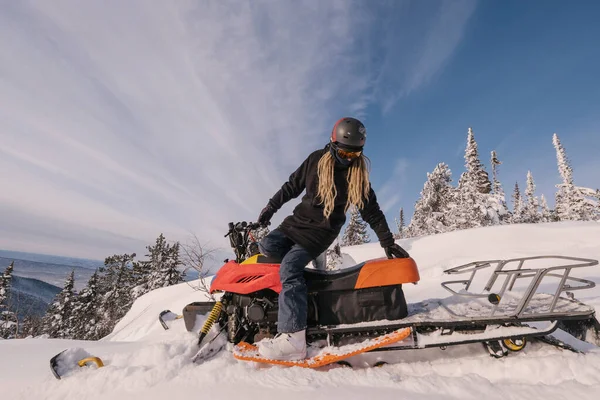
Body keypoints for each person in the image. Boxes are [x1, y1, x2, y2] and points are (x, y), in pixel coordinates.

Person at [255, 117, 410, 361]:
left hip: (321, 231)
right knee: (267, 248)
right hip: (296, 223)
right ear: (332, 142)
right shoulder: (316, 160)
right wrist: (269, 209)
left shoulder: (356, 177)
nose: (349, 159)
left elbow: (372, 212)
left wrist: (387, 241)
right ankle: (290, 295)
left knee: (290, 267)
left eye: (354, 155)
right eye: (344, 153)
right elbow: (291, 187)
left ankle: (293, 338)